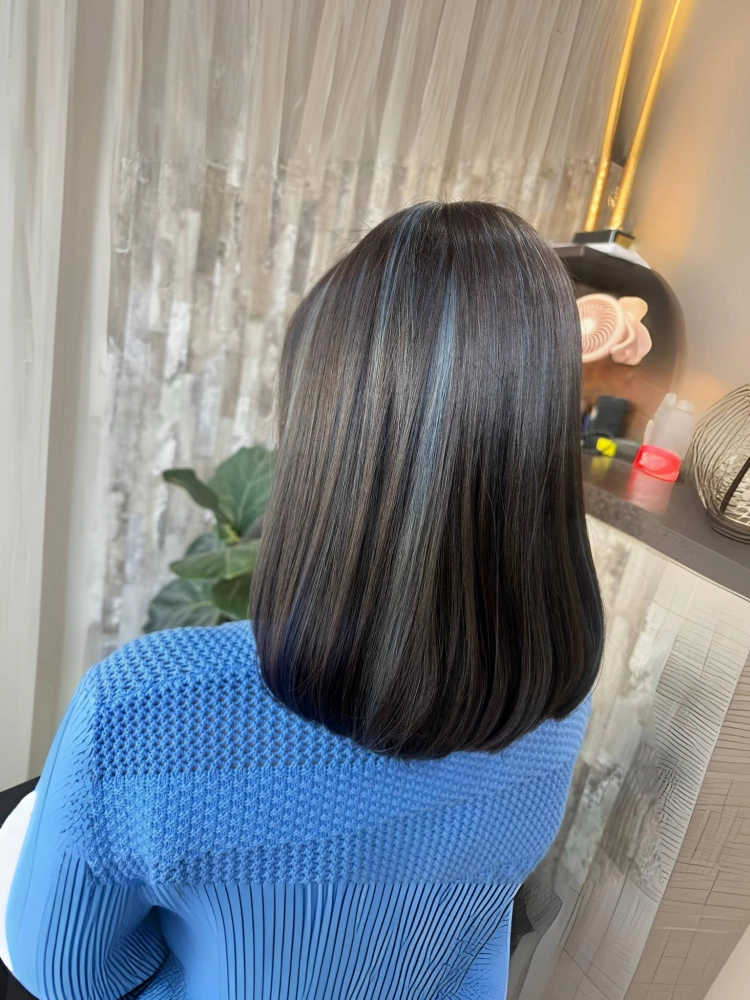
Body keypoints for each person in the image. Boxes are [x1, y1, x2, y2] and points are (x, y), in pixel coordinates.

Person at [0, 201, 603, 999]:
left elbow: (69, 974)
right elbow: (474, 932)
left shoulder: (142, 710)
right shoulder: (558, 705)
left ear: (323, 442)